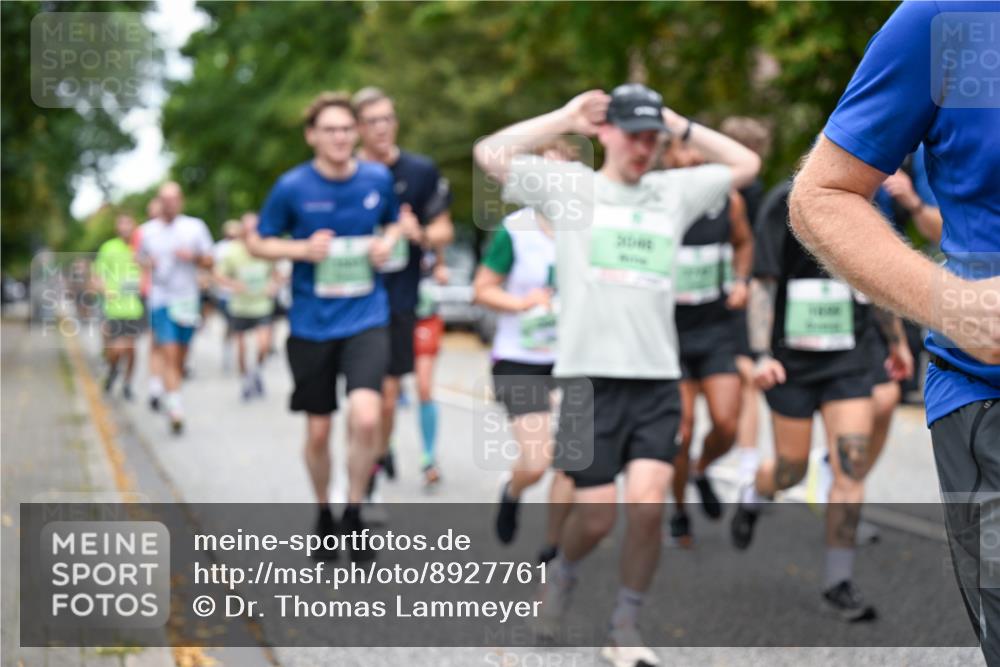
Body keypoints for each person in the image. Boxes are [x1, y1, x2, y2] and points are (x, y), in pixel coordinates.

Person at [476, 84, 760, 665]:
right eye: (633, 133)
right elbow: (489, 153)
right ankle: (563, 575)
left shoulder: (671, 192)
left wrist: (681, 124)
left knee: (649, 506)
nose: (643, 146)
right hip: (587, 381)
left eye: (651, 136)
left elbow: (746, 163)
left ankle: (625, 626)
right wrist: (564, 116)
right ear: (605, 134)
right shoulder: (573, 189)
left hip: (656, 379)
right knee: (598, 516)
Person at [787, 1, 999, 660]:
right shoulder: (947, 20)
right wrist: (952, 304)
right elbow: (819, 199)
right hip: (984, 393)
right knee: (805, 461)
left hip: (869, 349)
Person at [246, 91, 399, 563]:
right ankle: (323, 513)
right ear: (312, 136)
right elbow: (259, 242)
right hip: (312, 324)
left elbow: (395, 223)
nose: (339, 137)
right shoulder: (292, 187)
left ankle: (353, 510)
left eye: (346, 129)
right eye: (329, 129)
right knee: (318, 432)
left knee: (368, 416)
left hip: (367, 316)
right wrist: (300, 251)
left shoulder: (376, 178)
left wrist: (385, 244)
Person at [474, 137, 578, 563]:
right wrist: (523, 303)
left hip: (575, 356)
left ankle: (552, 546)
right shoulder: (514, 230)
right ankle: (512, 490)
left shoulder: (588, 229)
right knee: (537, 462)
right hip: (521, 356)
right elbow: (482, 290)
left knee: (574, 462)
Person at [353, 87, 454, 488]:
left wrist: (420, 234)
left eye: (388, 119)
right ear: (358, 127)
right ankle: (373, 459)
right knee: (367, 399)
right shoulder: (345, 173)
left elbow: (444, 228)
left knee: (390, 393)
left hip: (400, 295)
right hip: (353, 297)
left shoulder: (420, 171)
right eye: (372, 121)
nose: (382, 128)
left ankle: (377, 457)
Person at [659, 136, 753, 546]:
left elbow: (744, 242)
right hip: (668, 332)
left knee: (727, 423)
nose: (690, 157)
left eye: (695, 152)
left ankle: (700, 470)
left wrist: (741, 279)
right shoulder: (654, 202)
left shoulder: (727, 200)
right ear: (665, 159)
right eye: (679, 152)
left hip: (715, 328)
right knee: (681, 429)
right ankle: (679, 510)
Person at [720, 117, 774, 488]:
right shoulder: (741, 192)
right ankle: (744, 461)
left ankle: (746, 460)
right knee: (745, 376)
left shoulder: (735, 192)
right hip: (737, 289)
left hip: (740, 287)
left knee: (746, 376)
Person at [136, 182, 214, 434]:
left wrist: (192, 257)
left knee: (181, 354)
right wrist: (148, 264)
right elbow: (139, 259)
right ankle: (175, 407)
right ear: (158, 202)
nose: (169, 204)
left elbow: (210, 259)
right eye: (164, 199)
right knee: (168, 352)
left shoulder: (194, 227)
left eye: (174, 199)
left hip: (187, 299)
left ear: (181, 201)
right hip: (161, 299)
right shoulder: (147, 232)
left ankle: (170, 391)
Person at [215, 213, 277, 401]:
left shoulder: (266, 248)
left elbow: (276, 274)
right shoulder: (233, 251)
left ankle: (256, 371)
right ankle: (245, 380)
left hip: (262, 305)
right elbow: (218, 275)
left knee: (263, 345)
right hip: (240, 306)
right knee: (241, 348)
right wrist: (234, 285)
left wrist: (273, 285)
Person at [93, 213, 144, 400]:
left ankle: (128, 384)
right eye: (121, 224)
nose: (125, 228)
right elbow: (97, 276)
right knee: (116, 349)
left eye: (128, 223)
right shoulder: (108, 248)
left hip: (134, 308)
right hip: (114, 308)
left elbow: (149, 272)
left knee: (131, 349)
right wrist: (105, 290)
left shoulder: (140, 248)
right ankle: (113, 369)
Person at [213, 219, 242, 373]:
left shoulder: (243, 248)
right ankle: (228, 354)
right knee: (230, 326)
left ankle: (236, 356)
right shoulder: (219, 248)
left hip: (241, 295)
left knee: (236, 329)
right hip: (225, 295)